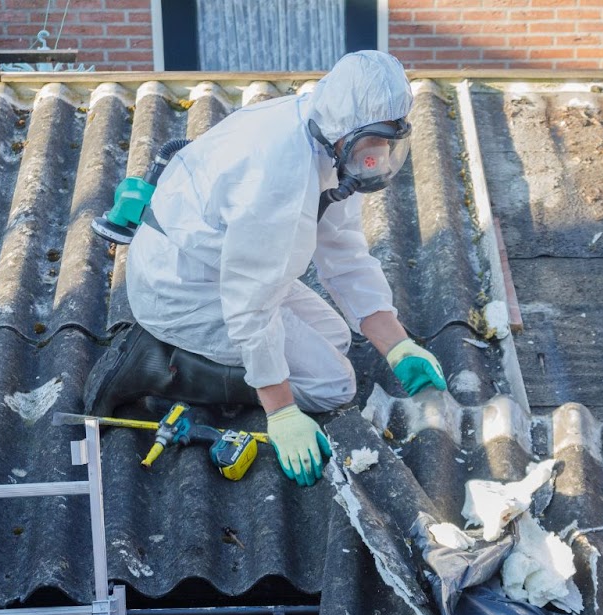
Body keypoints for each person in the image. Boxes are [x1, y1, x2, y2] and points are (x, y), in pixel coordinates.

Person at [86, 50, 448, 487]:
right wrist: (281, 411)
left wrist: (398, 346)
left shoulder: (327, 139)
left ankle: (228, 364)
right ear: (346, 130)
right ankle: (156, 361)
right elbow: (249, 305)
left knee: (336, 338)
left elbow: (345, 254)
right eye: (375, 143)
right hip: (182, 285)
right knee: (334, 385)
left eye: (390, 142)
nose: (381, 158)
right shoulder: (279, 177)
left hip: (217, 260)